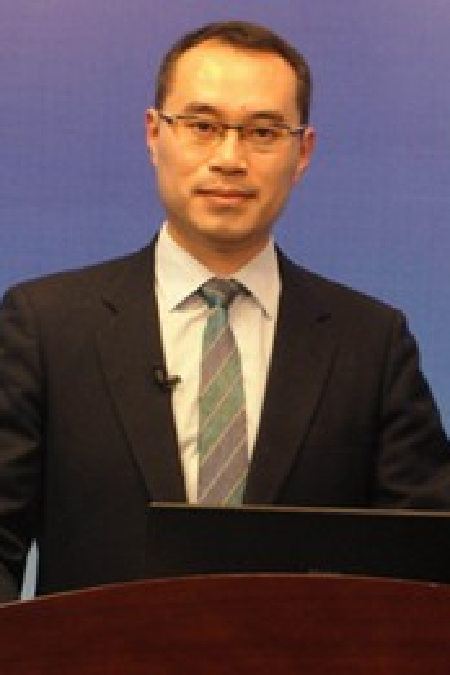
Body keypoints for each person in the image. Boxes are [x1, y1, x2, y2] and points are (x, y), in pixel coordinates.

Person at [0, 20, 449, 603]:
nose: (230, 158)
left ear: (302, 152)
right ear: (155, 134)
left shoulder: (371, 343)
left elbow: (424, 567)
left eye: (263, 132)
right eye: (203, 126)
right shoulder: (46, 327)